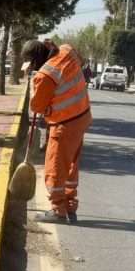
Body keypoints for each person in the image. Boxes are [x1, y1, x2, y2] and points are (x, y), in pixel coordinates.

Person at [25, 38, 92, 223]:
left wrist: (33, 84)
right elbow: (79, 60)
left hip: (65, 123)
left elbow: (37, 106)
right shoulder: (67, 51)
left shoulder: (44, 75)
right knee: (71, 166)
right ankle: (70, 206)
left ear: (36, 60)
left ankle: (58, 210)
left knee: (54, 167)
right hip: (82, 117)